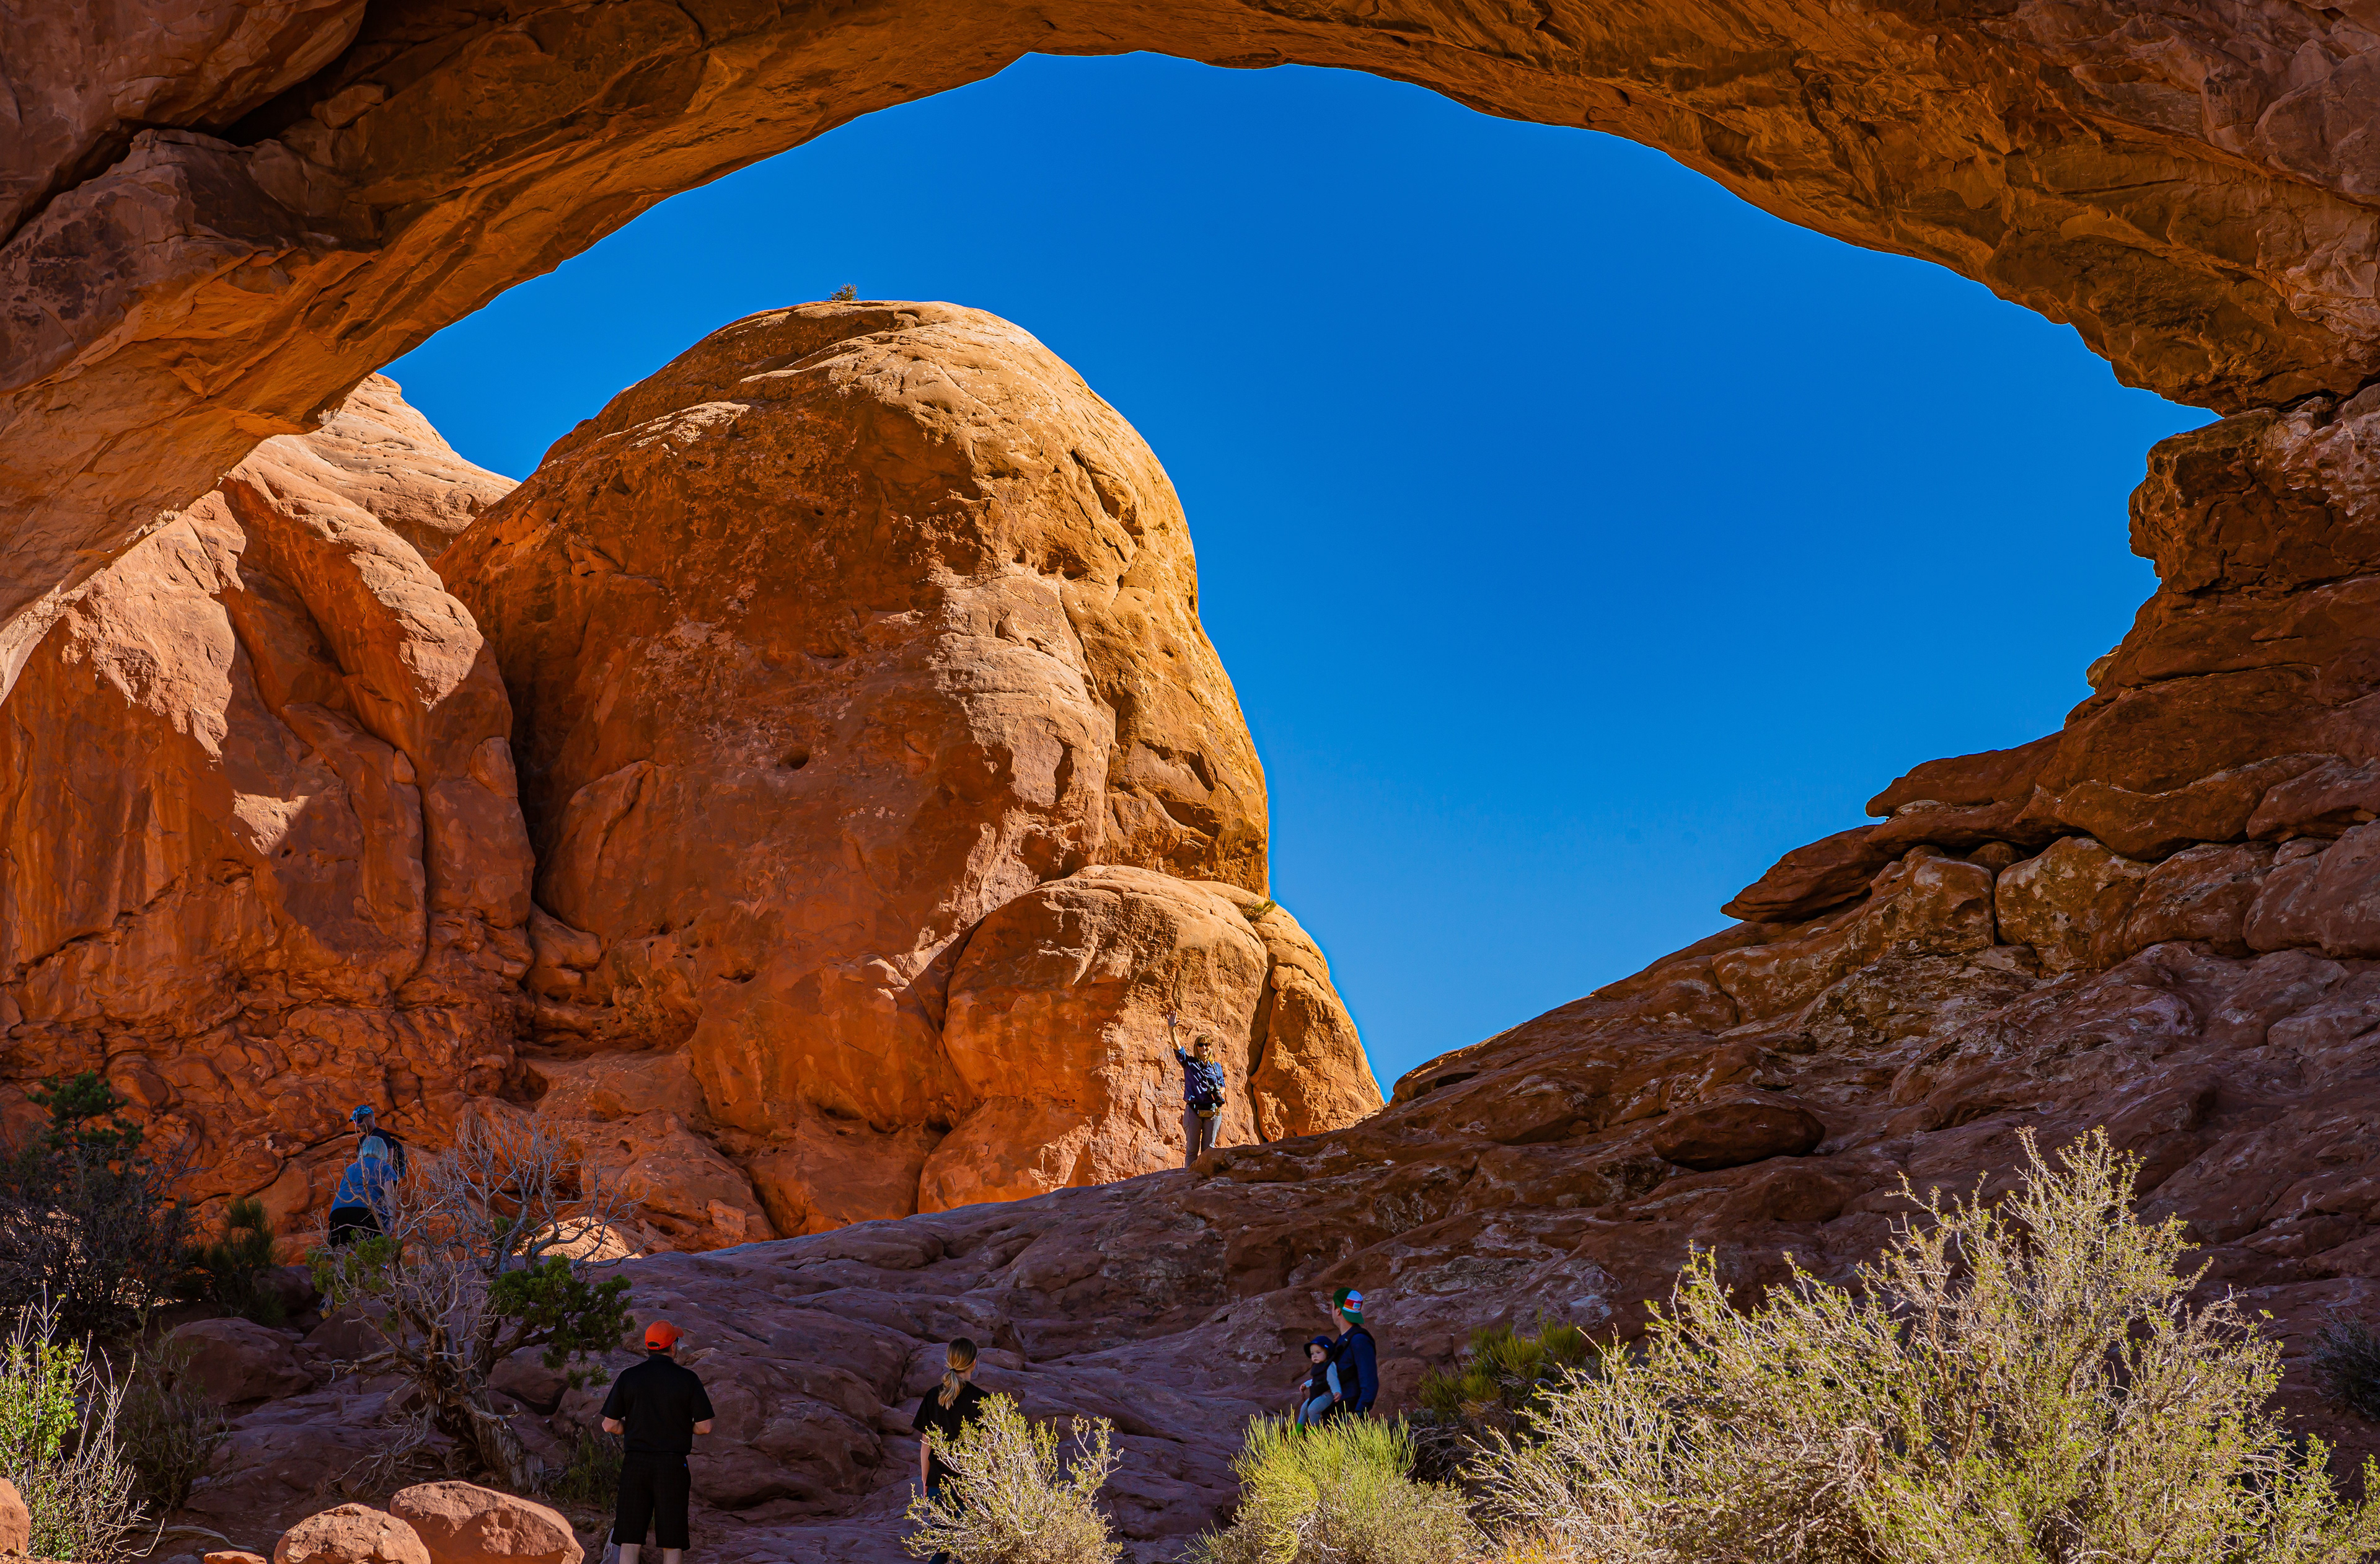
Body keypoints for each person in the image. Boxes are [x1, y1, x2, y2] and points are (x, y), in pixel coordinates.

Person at [602, 1320, 715, 1564]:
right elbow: (705, 1427)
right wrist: (682, 1429)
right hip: (672, 1466)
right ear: (673, 1347)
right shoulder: (688, 1380)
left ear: (648, 1346)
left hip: (636, 1465)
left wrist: (632, 1429)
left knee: (630, 1539)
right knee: (672, 1540)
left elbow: (609, 1425)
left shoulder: (629, 1377)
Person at [912, 1338, 989, 1564]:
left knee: (940, 1550)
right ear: (974, 1363)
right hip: (970, 1487)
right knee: (968, 1553)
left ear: (949, 1361)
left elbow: (926, 1445)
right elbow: (987, 1451)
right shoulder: (983, 1400)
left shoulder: (932, 1396)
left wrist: (926, 1481)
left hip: (938, 1484)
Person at [1170, 1017, 1227, 1165]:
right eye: (1201, 1044)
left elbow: (1223, 1085)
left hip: (1213, 1111)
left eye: (1207, 1044)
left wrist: (1217, 1091)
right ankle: (1190, 1181)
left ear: (1211, 1047)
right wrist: (1172, 1029)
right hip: (1194, 1111)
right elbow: (1178, 1048)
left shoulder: (1217, 1067)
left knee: (1209, 1150)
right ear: (1197, 1047)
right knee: (1192, 1150)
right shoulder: (1189, 1063)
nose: (1204, 1047)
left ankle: (1206, 1182)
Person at [326, 1136, 395, 1247]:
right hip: (365, 1211)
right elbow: (389, 1195)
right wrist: (392, 1221)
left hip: (338, 1211)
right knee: (374, 1252)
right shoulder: (385, 1167)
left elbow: (342, 1191)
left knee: (339, 1252)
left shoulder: (351, 1168)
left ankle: (338, 1265)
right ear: (383, 1151)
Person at [1323, 1288, 1378, 1419]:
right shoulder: (1343, 1340)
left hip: (1348, 1416)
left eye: (1332, 1307)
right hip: (1335, 1415)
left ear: (1338, 1311)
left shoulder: (1359, 1340)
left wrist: (1358, 1415)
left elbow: (1370, 1382)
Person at [350, 1103, 408, 1178]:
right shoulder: (362, 1139)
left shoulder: (382, 1135)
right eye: (355, 1122)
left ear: (370, 1117)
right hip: (366, 1180)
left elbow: (389, 1161)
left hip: (378, 1180)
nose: (357, 1125)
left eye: (359, 1121)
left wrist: (383, 1180)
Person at [1295, 1336, 1339, 1426]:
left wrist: (1337, 1391)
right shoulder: (1318, 1367)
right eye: (1312, 1354)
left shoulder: (1329, 1366)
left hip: (1328, 1394)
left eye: (1318, 1352)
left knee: (1313, 1409)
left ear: (1327, 1353)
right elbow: (1316, 1380)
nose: (1314, 1356)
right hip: (1317, 1394)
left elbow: (1333, 1380)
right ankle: (1299, 1428)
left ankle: (1316, 1430)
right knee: (1304, 1407)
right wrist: (1306, 1384)